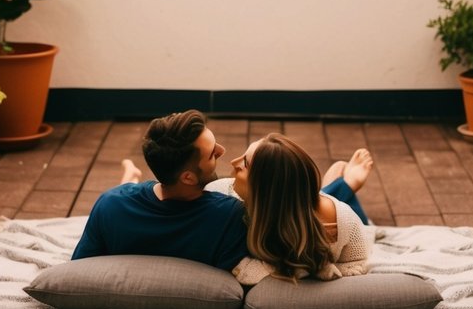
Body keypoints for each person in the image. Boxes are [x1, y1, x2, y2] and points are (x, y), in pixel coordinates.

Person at [71, 109, 248, 270]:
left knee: (123, 190)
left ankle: (131, 174)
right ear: (188, 177)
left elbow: (77, 269)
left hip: (123, 198)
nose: (222, 150)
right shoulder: (229, 215)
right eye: (212, 154)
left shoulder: (109, 204)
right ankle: (131, 175)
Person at [215, 133, 373, 284]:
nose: (234, 162)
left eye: (245, 164)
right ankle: (340, 185)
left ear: (266, 191)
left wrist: (318, 271)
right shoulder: (230, 197)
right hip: (292, 204)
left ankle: (346, 185)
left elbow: (359, 265)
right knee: (301, 199)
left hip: (346, 217)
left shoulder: (343, 222)